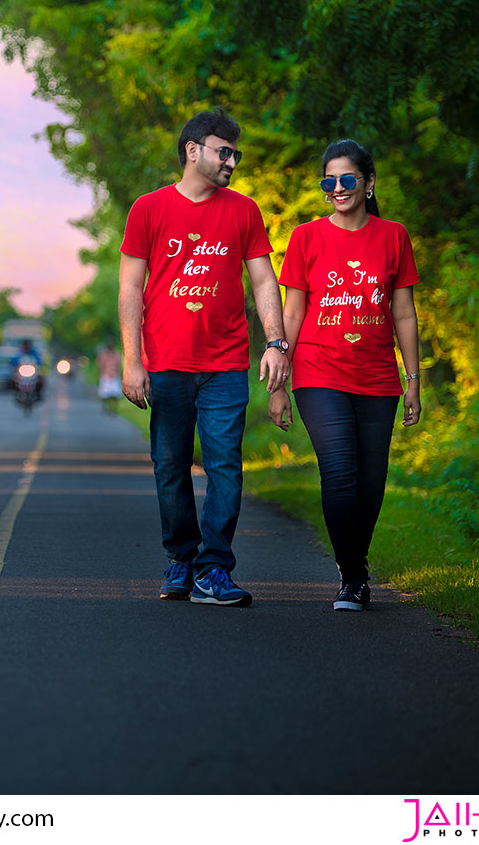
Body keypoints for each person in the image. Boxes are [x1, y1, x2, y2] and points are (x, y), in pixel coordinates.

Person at [119, 109, 289, 607]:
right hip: (167, 362)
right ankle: (181, 557)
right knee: (169, 465)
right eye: (224, 151)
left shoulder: (243, 211)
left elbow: (263, 280)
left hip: (226, 363)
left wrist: (277, 344)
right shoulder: (148, 209)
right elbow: (131, 286)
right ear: (193, 150)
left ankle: (214, 568)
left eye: (235, 153)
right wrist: (134, 358)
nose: (232, 161)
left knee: (225, 466)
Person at [269, 139, 422, 611]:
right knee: (339, 470)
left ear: (369, 183)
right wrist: (279, 381)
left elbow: (404, 314)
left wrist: (413, 379)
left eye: (347, 179)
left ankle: (355, 561)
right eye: (328, 181)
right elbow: (292, 315)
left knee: (372, 479)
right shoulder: (306, 237)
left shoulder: (393, 236)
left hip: (377, 375)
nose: (337, 189)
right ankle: (352, 576)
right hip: (317, 369)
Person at [96, 341, 123, 413]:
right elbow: (100, 364)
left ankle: (114, 409)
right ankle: (105, 408)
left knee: (116, 395)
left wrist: (118, 374)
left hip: (115, 376)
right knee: (104, 394)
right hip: (105, 376)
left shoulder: (117, 354)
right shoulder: (103, 354)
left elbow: (119, 365)